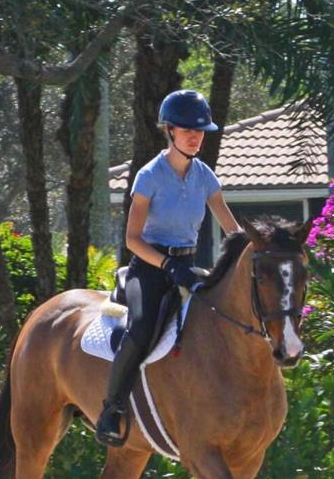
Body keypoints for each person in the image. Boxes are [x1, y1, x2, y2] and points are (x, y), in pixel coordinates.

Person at [96, 89, 242, 446]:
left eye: (201, 131)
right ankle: (111, 409)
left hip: (188, 263)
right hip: (147, 267)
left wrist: (256, 250)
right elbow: (132, 239)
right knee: (144, 326)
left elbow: (232, 229)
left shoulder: (205, 176)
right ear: (169, 131)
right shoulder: (149, 176)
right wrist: (165, 264)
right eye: (187, 130)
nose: (195, 137)